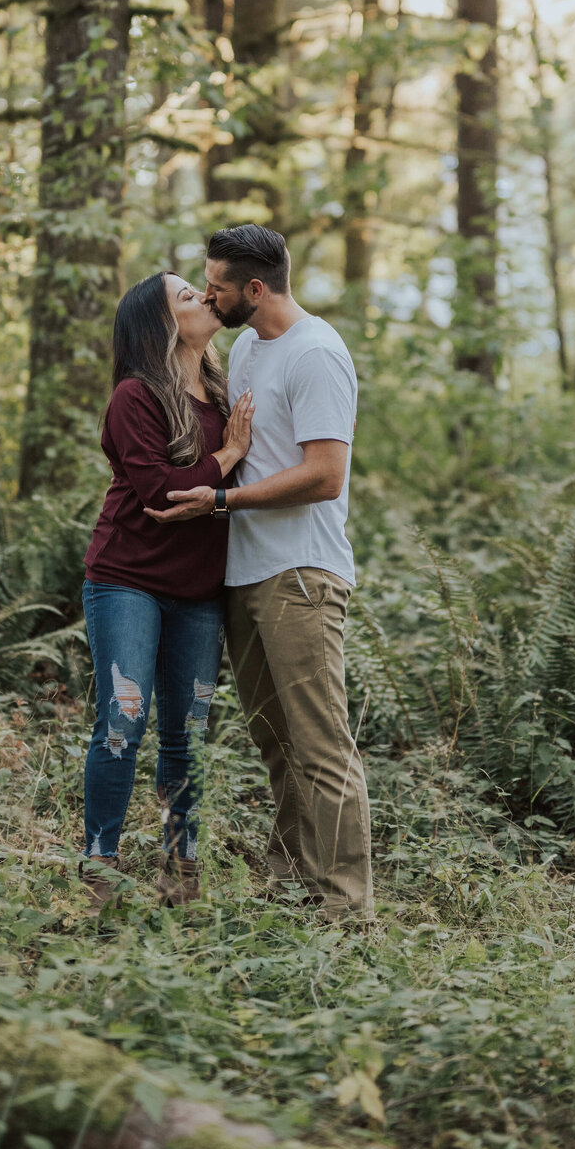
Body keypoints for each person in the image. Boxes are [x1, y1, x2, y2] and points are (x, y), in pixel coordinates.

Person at [145, 225, 373, 922]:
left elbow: (325, 475)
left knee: (320, 743)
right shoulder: (245, 346)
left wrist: (223, 499)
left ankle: (347, 908)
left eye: (214, 282)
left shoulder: (316, 353)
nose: (206, 292)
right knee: (278, 744)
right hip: (244, 572)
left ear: (255, 288)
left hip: (299, 573)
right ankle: (292, 880)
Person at [80, 272, 253, 907]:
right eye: (188, 296)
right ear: (161, 325)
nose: (207, 298)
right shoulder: (135, 396)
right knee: (123, 723)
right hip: (127, 579)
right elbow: (161, 496)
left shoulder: (223, 390)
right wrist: (230, 455)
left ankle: (181, 871)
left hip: (200, 590)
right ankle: (99, 868)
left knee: (188, 732)